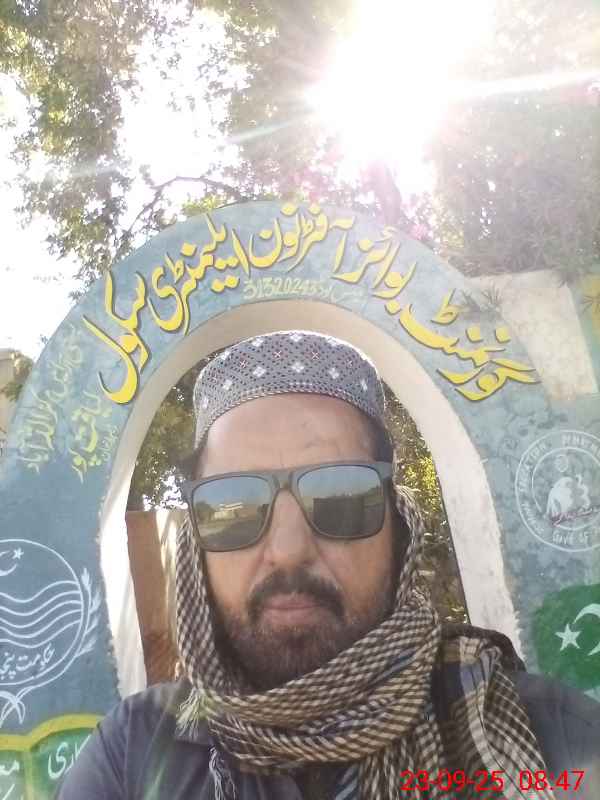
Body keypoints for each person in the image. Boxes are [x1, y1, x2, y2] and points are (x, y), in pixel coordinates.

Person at [57, 330, 600, 800]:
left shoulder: (553, 735)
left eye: (342, 496)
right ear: (197, 543)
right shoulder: (133, 756)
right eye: (234, 505)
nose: (289, 550)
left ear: (398, 527)